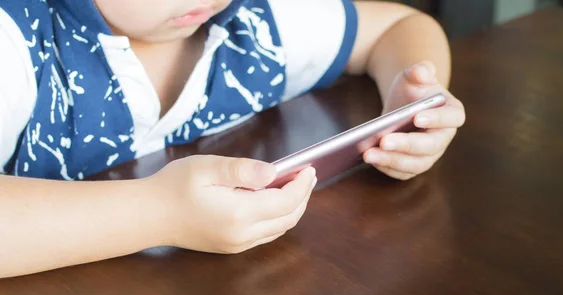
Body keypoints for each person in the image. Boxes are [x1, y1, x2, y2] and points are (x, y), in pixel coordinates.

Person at [0, 0, 465, 278]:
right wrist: (159, 212)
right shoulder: (18, 37)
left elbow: (399, 26)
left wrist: (415, 97)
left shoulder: (253, 23)